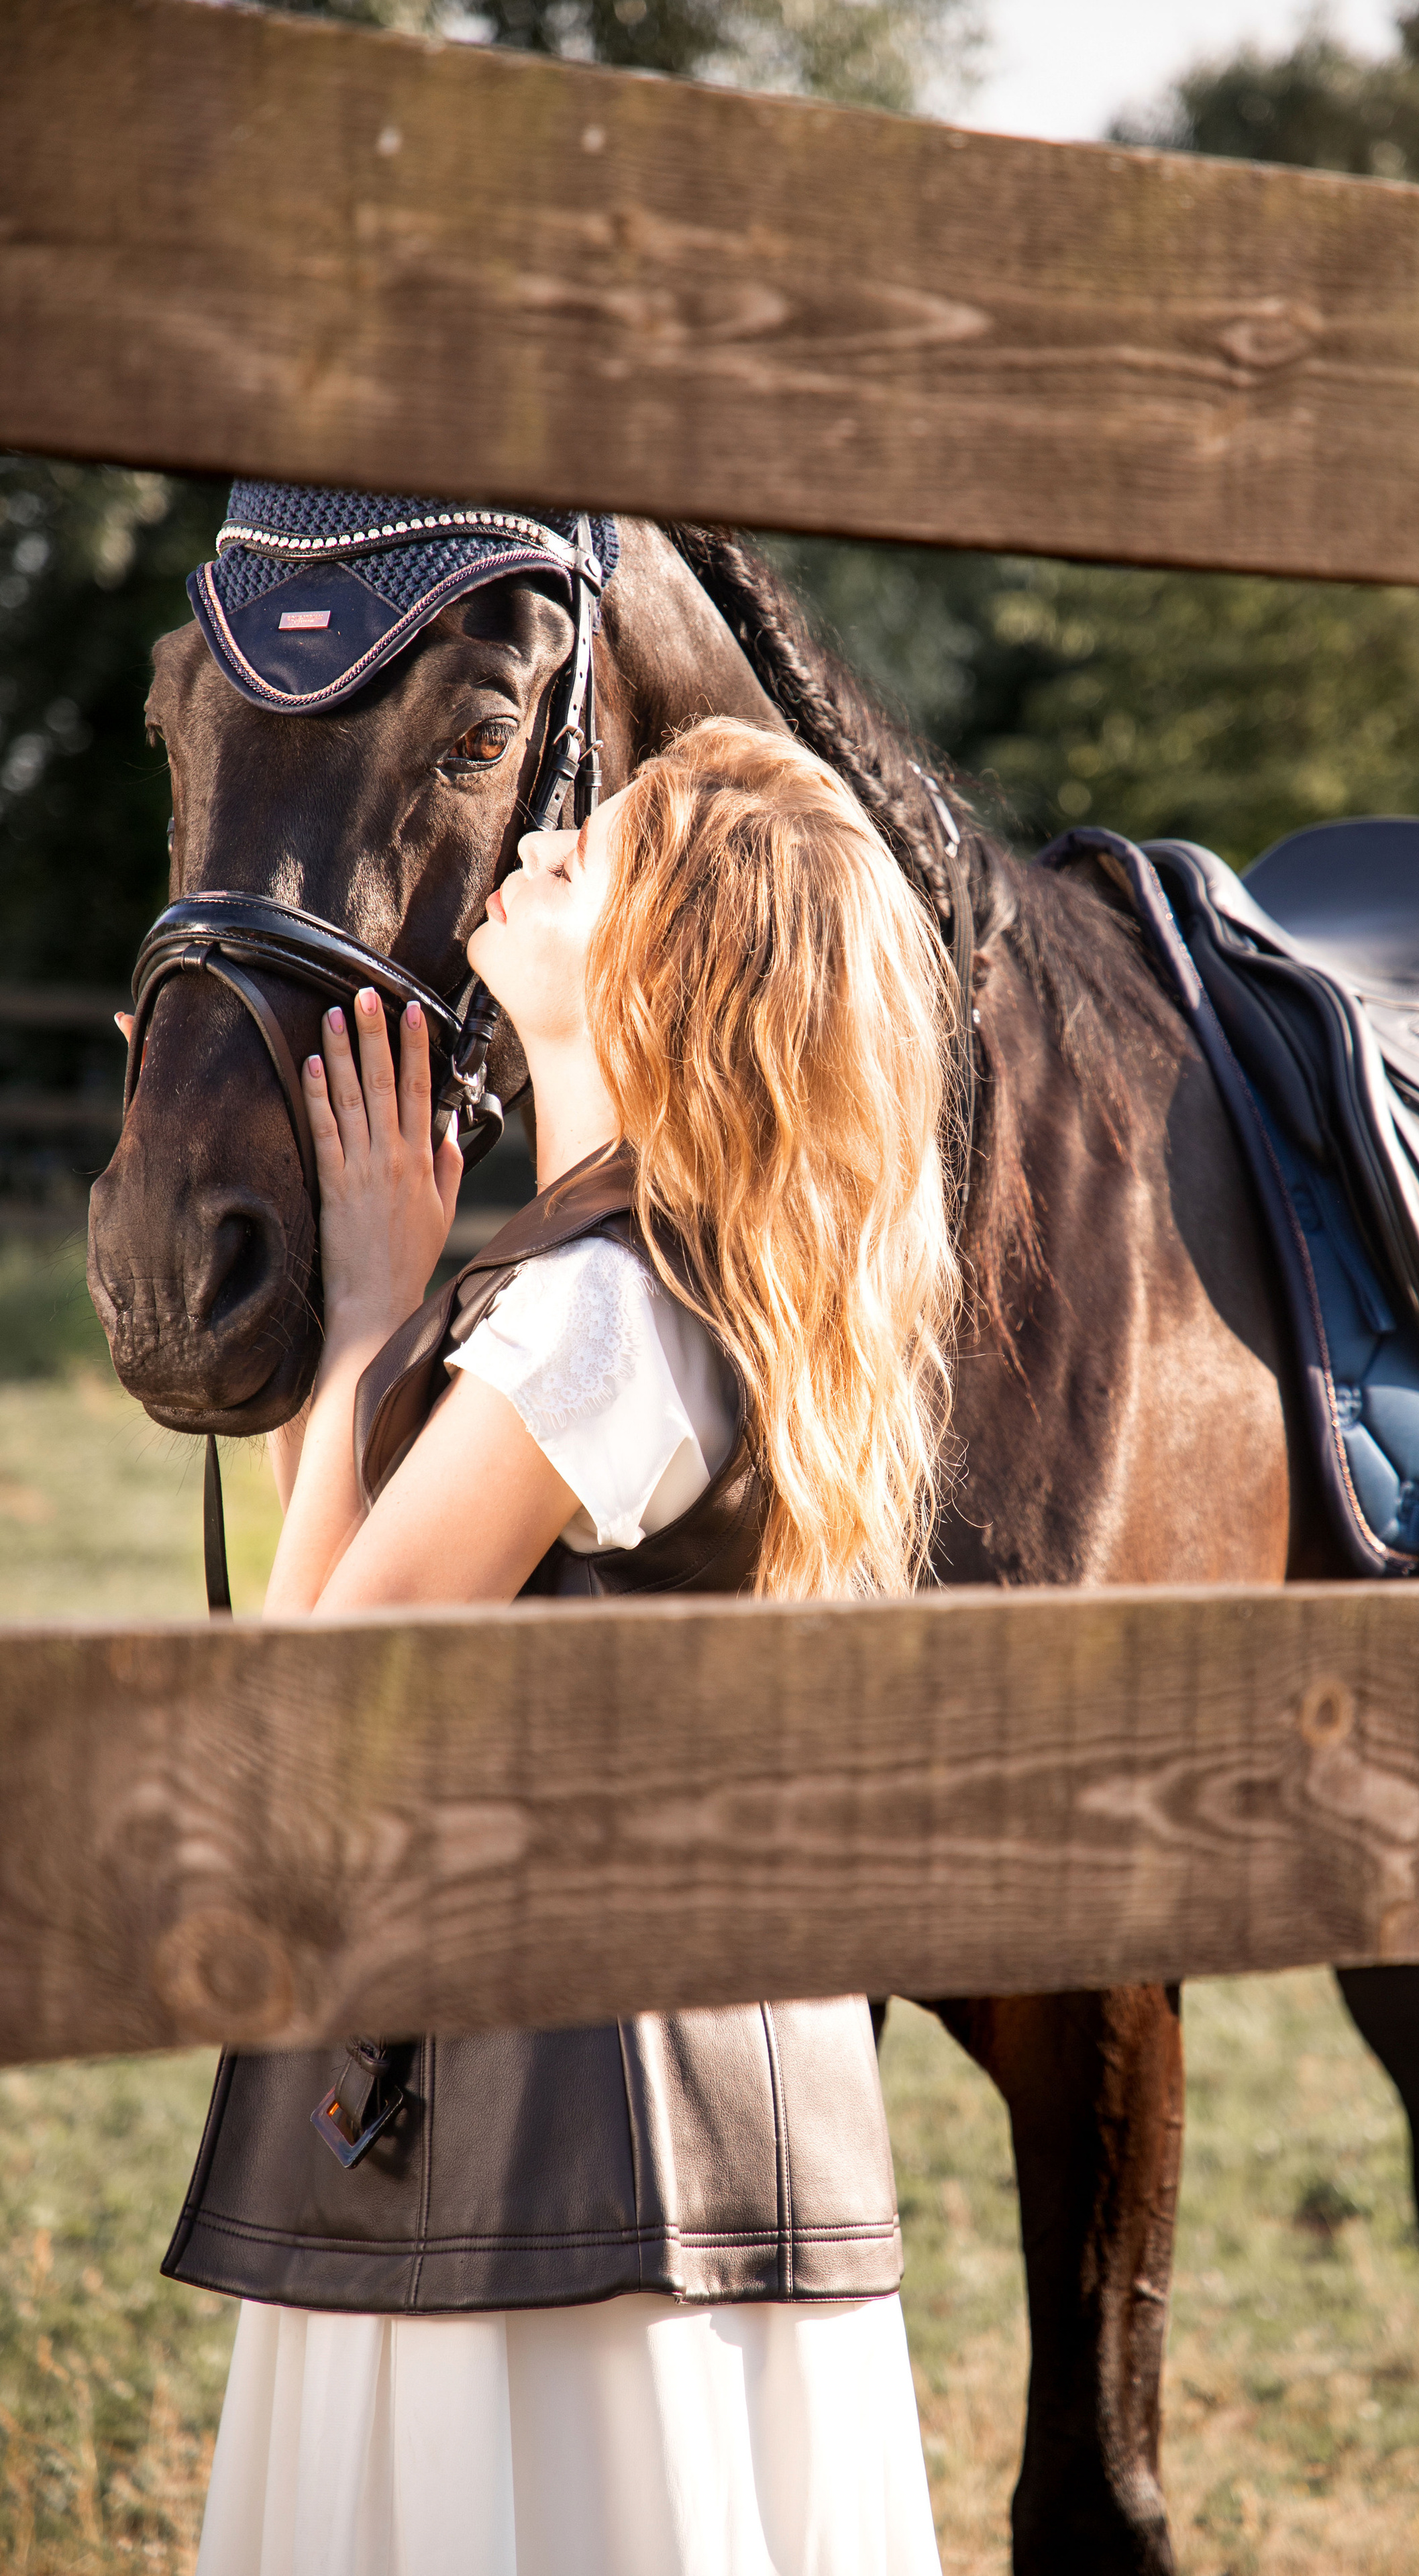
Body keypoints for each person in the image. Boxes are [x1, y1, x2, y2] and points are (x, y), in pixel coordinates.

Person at [172, 717, 961, 2576]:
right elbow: (351, 1582)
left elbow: (317, 1695)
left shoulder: (599, 1313)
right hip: (667, 2137)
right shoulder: (665, 1276)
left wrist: (372, 1310)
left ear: (664, 968)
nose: (529, 856)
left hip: (558, 2177)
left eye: (581, 857)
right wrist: (385, 1315)